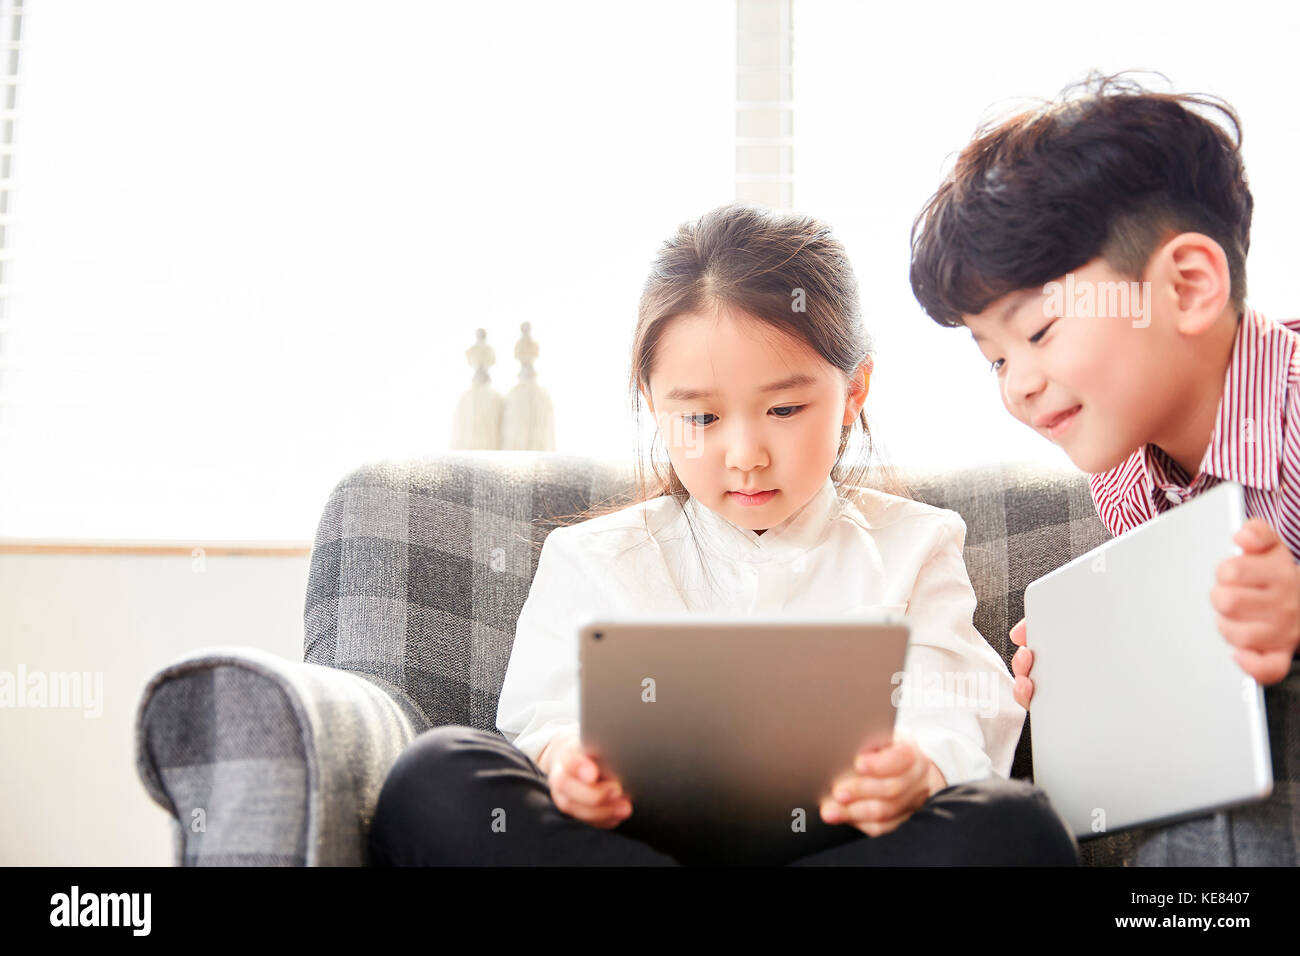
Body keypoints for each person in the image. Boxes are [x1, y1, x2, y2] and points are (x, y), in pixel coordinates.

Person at [366, 203, 1079, 866]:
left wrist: (917, 769)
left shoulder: (915, 543)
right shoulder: (591, 557)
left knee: (1017, 826)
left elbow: (950, 705)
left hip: (844, 847)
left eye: (786, 408)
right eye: (700, 419)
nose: (744, 455)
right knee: (433, 778)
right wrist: (568, 764)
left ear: (854, 391)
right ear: (652, 404)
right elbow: (543, 721)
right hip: (639, 846)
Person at [908, 71, 1300, 865]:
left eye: (1042, 332)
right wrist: (1102, 678)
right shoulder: (1125, 476)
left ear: (1188, 286)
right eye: (993, 359)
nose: (1017, 383)